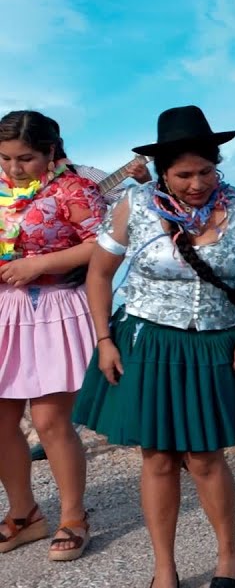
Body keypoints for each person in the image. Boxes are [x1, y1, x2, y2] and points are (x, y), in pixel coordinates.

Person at [72, 105, 235, 588]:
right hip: (147, 340)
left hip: (217, 341)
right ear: (164, 171)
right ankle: (164, 567)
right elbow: (98, 275)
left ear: (217, 163)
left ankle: (228, 550)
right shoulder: (135, 205)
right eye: (183, 174)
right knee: (158, 457)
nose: (196, 183)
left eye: (205, 171)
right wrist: (104, 340)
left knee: (206, 456)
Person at [0, 110, 107, 561]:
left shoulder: (74, 189)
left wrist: (38, 264)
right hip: (5, 309)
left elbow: (103, 244)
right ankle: (24, 514)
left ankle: (73, 517)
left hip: (54, 309)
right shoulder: (2, 189)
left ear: (51, 151)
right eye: (4, 159)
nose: (12, 169)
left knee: (48, 420)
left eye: (24, 158)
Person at [28, 152, 150, 464]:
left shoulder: (85, 176)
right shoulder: (16, 185)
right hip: (31, 292)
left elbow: (131, 204)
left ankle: (157, 434)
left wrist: (142, 181)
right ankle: (61, 429)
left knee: (96, 361)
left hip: (77, 281)